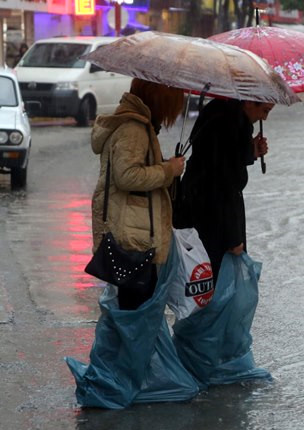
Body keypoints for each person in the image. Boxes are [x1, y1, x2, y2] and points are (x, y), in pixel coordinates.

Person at [90, 78, 185, 310]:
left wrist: (163, 166)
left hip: (133, 232)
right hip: (133, 238)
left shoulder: (141, 126)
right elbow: (127, 176)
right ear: (158, 97)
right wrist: (167, 170)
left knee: (131, 312)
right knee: (136, 312)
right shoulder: (134, 129)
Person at [178, 98, 271, 284]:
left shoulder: (218, 110)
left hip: (196, 208)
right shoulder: (232, 122)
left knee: (201, 280)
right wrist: (233, 238)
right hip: (215, 219)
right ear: (249, 103)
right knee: (218, 282)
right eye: (265, 111)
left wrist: (249, 151)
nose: (264, 118)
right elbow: (224, 182)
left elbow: (219, 158)